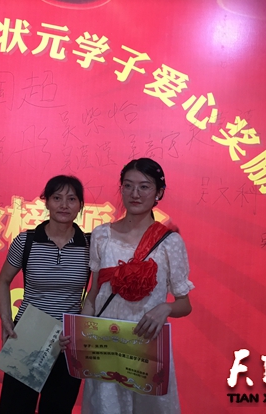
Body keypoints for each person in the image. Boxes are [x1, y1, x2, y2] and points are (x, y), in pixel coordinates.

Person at [79, 158, 194, 414]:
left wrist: (165, 308)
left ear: (159, 193)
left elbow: (185, 304)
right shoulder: (102, 234)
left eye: (144, 187)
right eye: (128, 186)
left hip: (147, 347)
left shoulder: (170, 242)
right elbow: (93, 294)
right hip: (106, 343)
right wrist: (81, 331)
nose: (135, 194)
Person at [0, 175, 91, 414]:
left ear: (81, 205)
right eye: (57, 198)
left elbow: (95, 292)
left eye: (71, 199)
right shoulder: (26, 241)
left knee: (57, 409)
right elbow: (2, 281)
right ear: (46, 202)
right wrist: (6, 319)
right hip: (28, 336)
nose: (64, 205)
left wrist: (80, 327)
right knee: (15, 408)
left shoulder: (90, 246)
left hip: (68, 341)